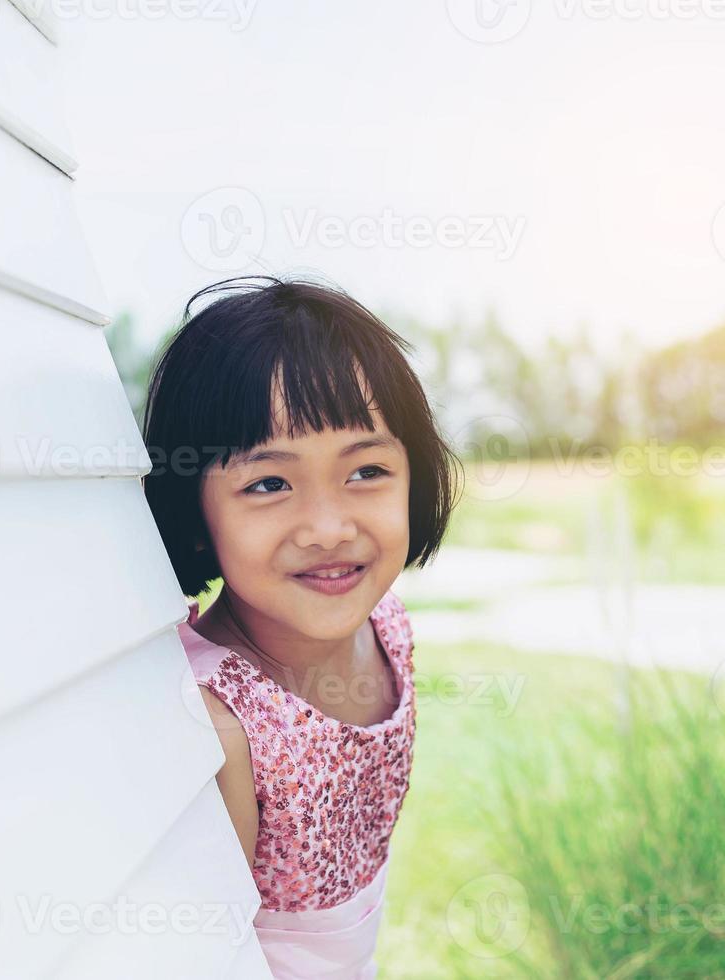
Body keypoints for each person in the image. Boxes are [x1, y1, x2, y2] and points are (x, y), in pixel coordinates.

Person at [142, 276, 462, 978]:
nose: (327, 528)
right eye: (268, 484)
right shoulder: (221, 728)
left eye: (367, 470)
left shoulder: (386, 624)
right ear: (194, 509)